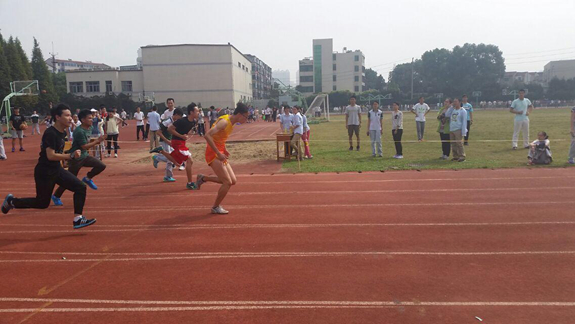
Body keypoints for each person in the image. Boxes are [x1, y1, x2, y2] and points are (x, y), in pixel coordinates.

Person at [2, 104, 96, 229]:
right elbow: (50, 155)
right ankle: (11, 201)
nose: (70, 118)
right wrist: (70, 156)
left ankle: (78, 219)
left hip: (56, 169)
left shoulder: (62, 132)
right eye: (67, 115)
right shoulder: (51, 133)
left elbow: (57, 154)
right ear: (57, 117)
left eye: (70, 115)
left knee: (80, 187)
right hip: (45, 171)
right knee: (42, 203)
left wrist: (70, 155)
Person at [195, 103, 250, 214]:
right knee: (227, 182)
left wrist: (224, 150)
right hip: (213, 153)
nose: (247, 119)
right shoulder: (224, 122)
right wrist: (218, 153)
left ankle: (203, 178)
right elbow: (207, 135)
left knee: (232, 181)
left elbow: (219, 138)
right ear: (239, 114)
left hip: (219, 152)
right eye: (246, 117)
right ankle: (215, 207)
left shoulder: (232, 123)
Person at [52, 110, 107, 206]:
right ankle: (56, 195)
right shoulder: (79, 131)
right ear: (83, 120)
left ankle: (88, 178)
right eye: (89, 118)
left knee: (101, 165)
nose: (92, 119)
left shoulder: (89, 128)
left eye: (92, 117)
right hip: (76, 159)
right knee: (69, 180)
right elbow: (84, 146)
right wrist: (98, 141)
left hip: (84, 156)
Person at [151, 103, 200, 190]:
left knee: (177, 163)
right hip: (177, 142)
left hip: (181, 142)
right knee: (190, 160)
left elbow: (183, 131)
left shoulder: (192, 122)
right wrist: (181, 136)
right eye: (197, 111)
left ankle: (161, 151)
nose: (198, 112)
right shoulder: (182, 121)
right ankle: (189, 183)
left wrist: (185, 135)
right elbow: (170, 129)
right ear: (191, 112)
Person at [152, 108, 184, 182]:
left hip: (169, 142)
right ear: (176, 115)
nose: (180, 119)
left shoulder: (174, 122)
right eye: (179, 117)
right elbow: (158, 132)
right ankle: (157, 158)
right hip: (164, 142)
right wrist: (167, 141)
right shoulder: (167, 122)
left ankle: (167, 175)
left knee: (173, 156)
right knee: (170, 158)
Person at [445, 98, 468, 162]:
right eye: (454, 102)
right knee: (453, 144)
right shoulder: (453, 110)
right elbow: (447, 114)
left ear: (459, 102)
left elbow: (464, 122)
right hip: (452, 129)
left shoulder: (462, 111)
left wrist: (463, 132)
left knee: (459, 143)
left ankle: (462, 156)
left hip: (458, 129)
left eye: (456, 101)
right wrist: (451, 107)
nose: (455, 103)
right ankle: (455, 156)